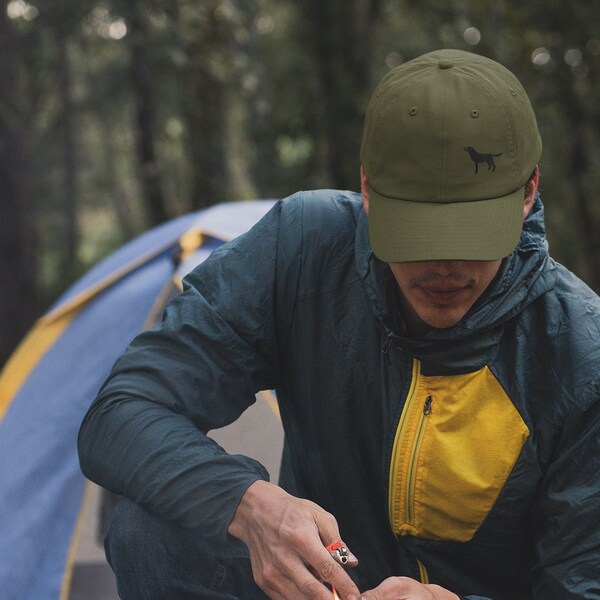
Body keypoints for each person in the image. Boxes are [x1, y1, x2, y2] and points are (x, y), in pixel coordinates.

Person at [77, 49, 600, 600]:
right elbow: (120, 412)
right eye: (418, 233)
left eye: (471, 235)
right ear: (368, 190)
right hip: (321, 589)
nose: (445, 265)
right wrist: (248, 503)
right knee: (153, 529)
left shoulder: (579, 355)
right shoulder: (305, 250)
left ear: (528, 192)